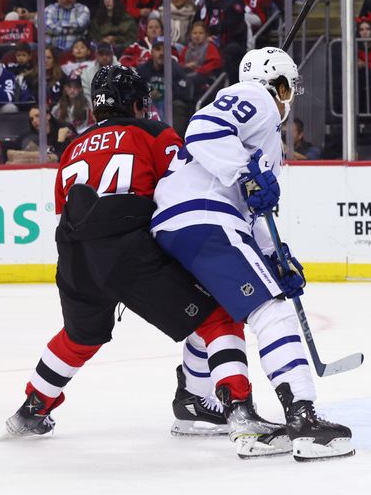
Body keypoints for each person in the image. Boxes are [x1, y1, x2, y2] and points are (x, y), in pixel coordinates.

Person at [1, 65, 293, 459]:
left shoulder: (73, 146)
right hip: (128, 249)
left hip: (73, 254)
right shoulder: (154, 133)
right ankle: (240, 413)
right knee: (219, 316)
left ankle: (30, 410)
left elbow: (63, 209)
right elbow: (176, 191)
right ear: (136, 102)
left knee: (80, 335)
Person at [150, 47, 354, 461]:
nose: (288, 96)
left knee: (212, 312)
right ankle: (303, 416)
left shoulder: (262, 139)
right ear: (279, 84)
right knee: (271, 311)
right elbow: (204, 127)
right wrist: (245, 174)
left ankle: (194, 400)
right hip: (205, 216)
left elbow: (250, 209)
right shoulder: (257, 97)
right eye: (288, 88)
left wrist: (276, 255)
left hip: (176, 223)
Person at [137, 37, 191, 136]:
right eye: (158, 49)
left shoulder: (175, 69)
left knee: (179, 105)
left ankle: (175, 139)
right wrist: (148, 94)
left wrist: (166, 94)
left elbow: (186, 93)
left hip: (170, 108)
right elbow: (134, 90)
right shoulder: (143, 69)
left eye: (165, 49)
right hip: (149, 108)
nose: (161, 53)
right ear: (152, 52)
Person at [193, 0, 247, 84]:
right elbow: (195, 27)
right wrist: (204, 37)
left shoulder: (233, 5)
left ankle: (229, 86)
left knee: (232, 50)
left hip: (227, 46)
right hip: (204, 43)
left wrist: (216, 41)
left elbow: (235, 31)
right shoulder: (203, 5)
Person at [8, 105, 74, 163]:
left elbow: (64, 158)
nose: (34, 121)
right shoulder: (28, 138)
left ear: (48, 116)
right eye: (31, 119)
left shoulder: (64, 130)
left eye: (37, 116)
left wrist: (61, 140)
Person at [178, 21, 222, 91]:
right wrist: (186, 65)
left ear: (206, 35)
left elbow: (216, 62)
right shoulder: (186, 49)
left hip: (205, 77)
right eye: (195, 33)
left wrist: (200, 69)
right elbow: (180, 63)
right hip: (187, 73)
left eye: (201, 33)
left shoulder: (210, 47)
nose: (197, 36)